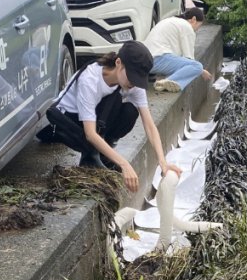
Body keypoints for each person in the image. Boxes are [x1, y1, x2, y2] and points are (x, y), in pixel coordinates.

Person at [49, 41, 182, 190]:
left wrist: (162, 161)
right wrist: (124, 164)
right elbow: (91, 134)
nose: (133, 83)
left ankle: (105, 153)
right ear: (118, 62)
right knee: (111, 106)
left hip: (94, 117)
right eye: (131, 76)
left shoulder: (132, 84)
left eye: (138, 79)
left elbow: (149, 125)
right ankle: (90, 156)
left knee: (130, 111)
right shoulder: (90, 80)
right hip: (69, 121)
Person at [142, 8, 214, 93]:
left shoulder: (172, 21)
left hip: (146, 60)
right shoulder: (187, 27)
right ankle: (166, 82)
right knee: (197, 66)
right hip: (157, 59)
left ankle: (169, 81)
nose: (197, 29)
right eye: (199, 25)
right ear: (193, 19)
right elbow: (189, 59)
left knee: (185, 66)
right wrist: (202, 71)